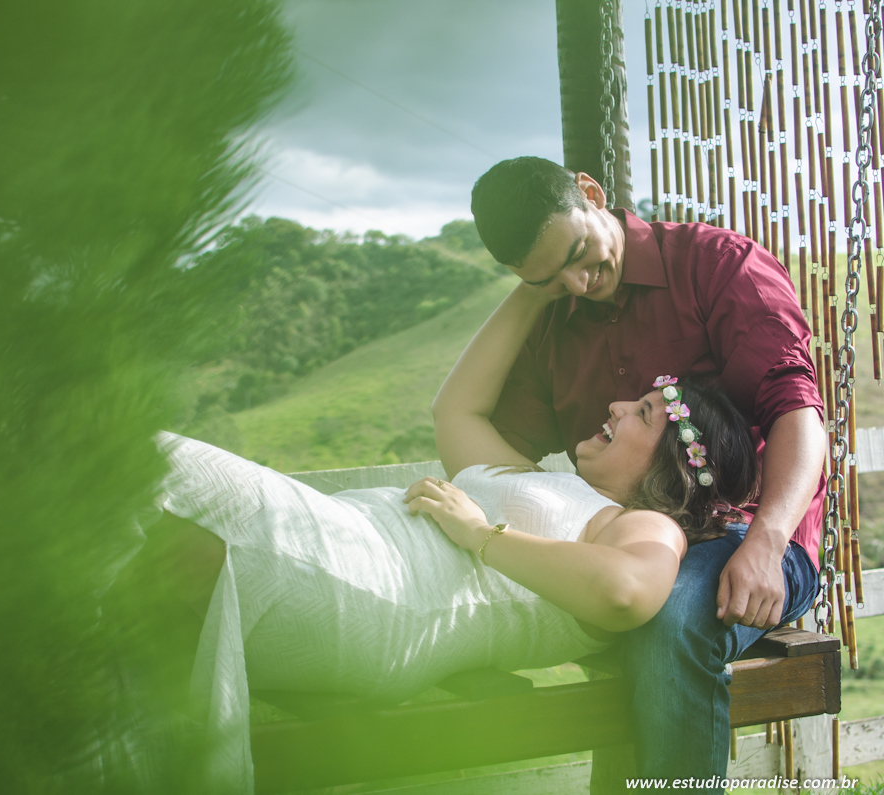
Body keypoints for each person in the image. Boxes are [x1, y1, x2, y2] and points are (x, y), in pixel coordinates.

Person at [144, 276, 759, 793]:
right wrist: (534, 291)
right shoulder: (550, 480)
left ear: (672, 469)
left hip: (374, 592)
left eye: (644, 414)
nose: (619, 407)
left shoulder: (643, 526)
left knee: (142, 469)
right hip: (343, 540)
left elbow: (628, 591)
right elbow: (456, 409)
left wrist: (482, 534)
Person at [466, 156, 825, 791]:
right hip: (626, 546)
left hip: (750, 537)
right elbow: (497, 450)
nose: (578, 283)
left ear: (591, 192)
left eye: (579, 252)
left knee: (670, 614)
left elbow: (796, 410)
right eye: (549, 280)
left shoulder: (718, 266)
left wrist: (768, 543)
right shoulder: (552, 321)